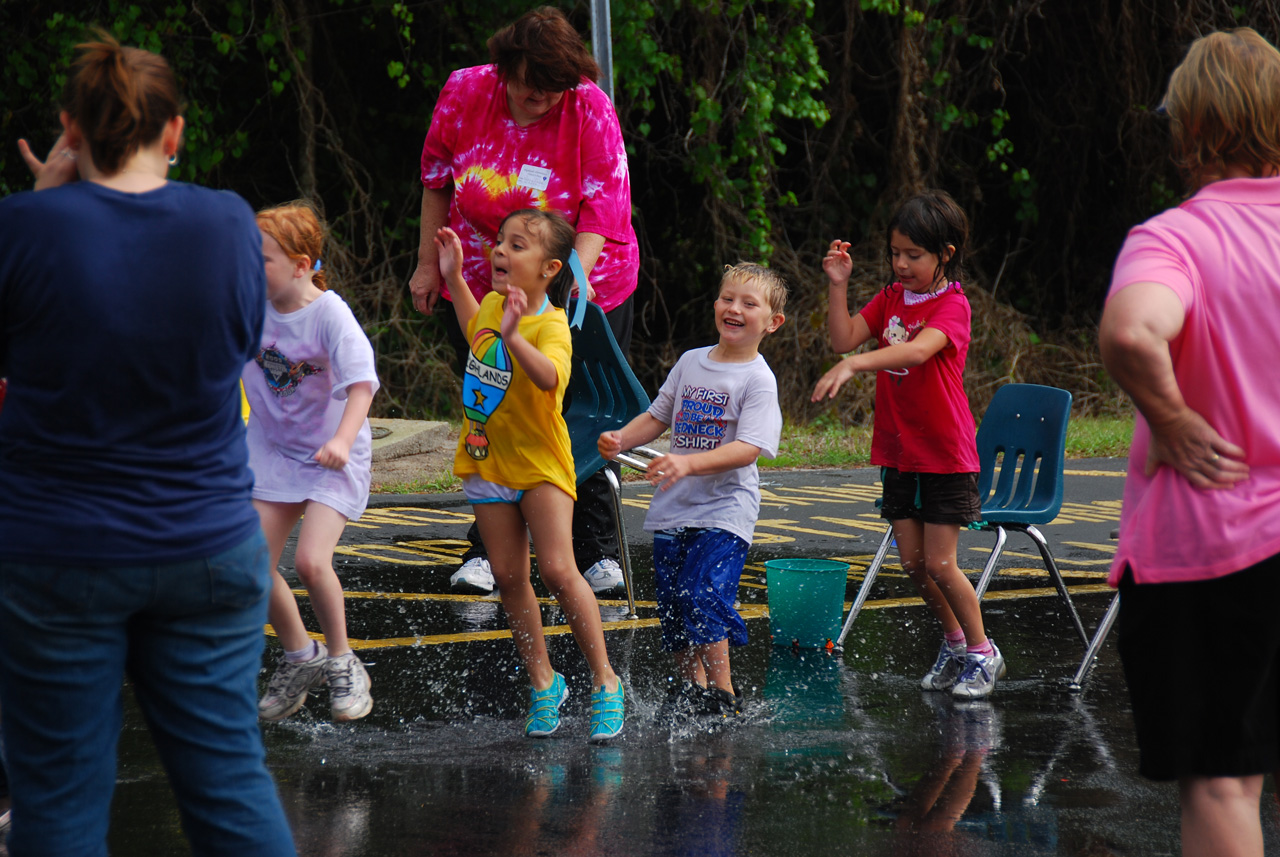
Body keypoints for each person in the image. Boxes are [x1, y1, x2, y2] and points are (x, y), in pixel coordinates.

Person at [0, 32, 295, 855]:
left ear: (70, 127)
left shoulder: (21, 227)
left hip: (56, 549)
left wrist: (44, 196)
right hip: (206, 540)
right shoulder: (228, 221)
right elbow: (239, 339)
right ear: (175, 132)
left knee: (57, 801)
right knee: (230, 784)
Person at [1097, 28, 1280, 857]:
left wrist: (1169, 418)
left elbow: (1133, 333)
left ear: (1192, 128)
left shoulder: (1177, 240)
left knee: (1223, 780)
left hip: (1217, 552)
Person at [409, 5, 639, 598]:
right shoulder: (465, 92)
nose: (544, 100)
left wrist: (560, 293)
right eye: (532, 88)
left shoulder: (587, 104)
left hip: (584, 283)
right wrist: (428, 264)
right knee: (494, 401)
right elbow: (436, 179)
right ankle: (490, 548)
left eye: (554, 91)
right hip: (491, 282)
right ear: (505, 67)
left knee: (570, 411)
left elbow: (601, 217)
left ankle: (595, 548)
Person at [437, 208, 624, 741]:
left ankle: (605, 681)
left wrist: (516, 335)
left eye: (517, 245)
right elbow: (479, 333)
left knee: (561, 573)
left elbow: (550, 378)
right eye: (500, 241)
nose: (500, 251)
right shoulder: (496, 304)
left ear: (549, 268)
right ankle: (545, 683)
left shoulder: (552, 323)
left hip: (540, 466)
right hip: (488, 458)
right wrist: (453, 276)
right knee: (511, 577)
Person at [811, 190, 1004, 699]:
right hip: (899, 450)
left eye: (913, 255)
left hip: (944, 453)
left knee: (941, 564)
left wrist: (856, 365)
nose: (901, 264)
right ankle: (956, 642)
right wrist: (839, 286)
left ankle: (983, 654)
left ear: (945, 253)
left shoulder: (953, 304)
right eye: (895, 253)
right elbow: (844, 337)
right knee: (914, 565)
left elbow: (918, 351)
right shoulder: (892, 297)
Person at [599, 263, 787, 720]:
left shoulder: (758, 380)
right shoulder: (691, 362)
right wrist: (623, 438)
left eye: (749, 303)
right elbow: (658, 416)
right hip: (674, 509)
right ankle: (690, 687)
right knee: (674, 606)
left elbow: (747, 450)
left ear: (772, 322)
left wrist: (686, 462)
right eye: (727, 298)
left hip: (725, 511)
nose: (734, 309)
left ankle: (723, 693)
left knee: (703, 594)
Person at [246, 202, 378, 724]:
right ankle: (302, 657)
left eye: (262, 261)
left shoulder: (329, 314)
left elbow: (362, 385)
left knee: (309, 563)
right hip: (274, 451)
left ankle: (344, 661)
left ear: (301, 265)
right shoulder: (247, 306)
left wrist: (344, 440)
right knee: (250, 564)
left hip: (331, 454)